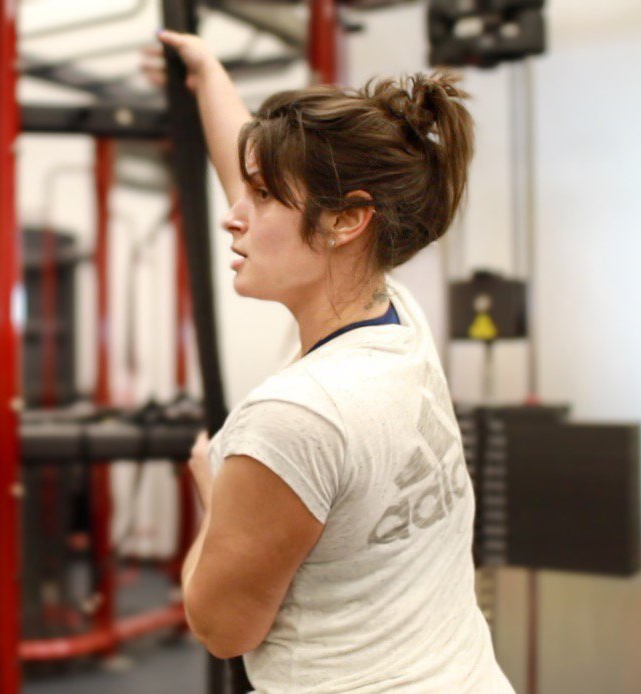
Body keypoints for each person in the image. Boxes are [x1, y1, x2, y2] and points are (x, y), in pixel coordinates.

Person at [141, 29, 513, 693]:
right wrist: (207, 76)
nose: (233, 217)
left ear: (346, 221)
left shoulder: (292, 419)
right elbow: (258, 178)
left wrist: (214, 496)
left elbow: (221, 627)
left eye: (258, 198)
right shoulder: (396, 321)